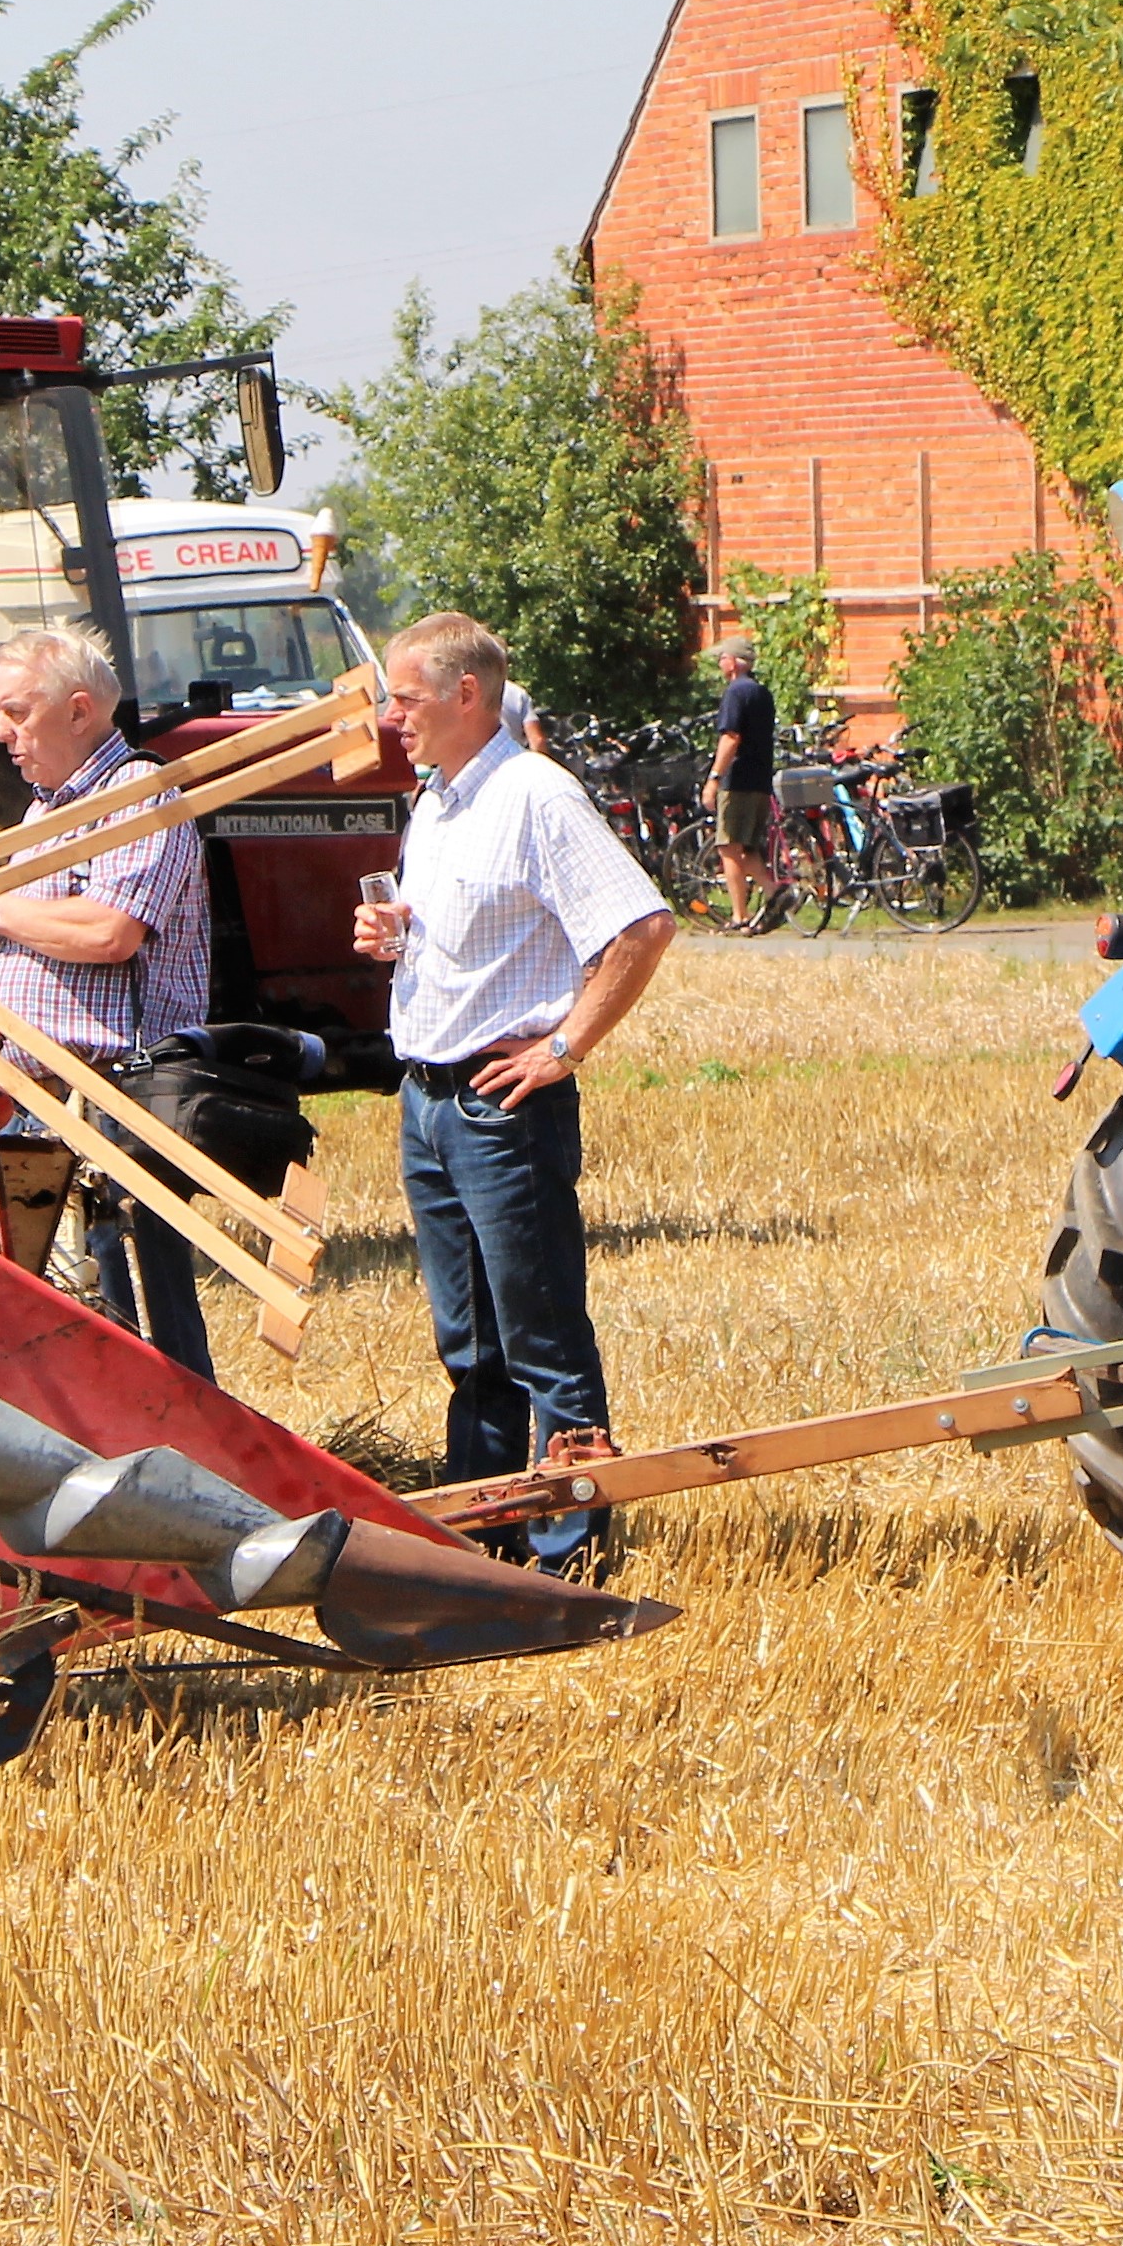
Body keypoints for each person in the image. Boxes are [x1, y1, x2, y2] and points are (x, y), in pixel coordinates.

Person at [353, 613, 674, 1561]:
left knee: (541, 1339)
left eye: (405, 699)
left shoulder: (537, 794)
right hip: (427, 1101)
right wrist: (393, 938)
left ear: (467, 695)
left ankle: (571, 1551)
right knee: (470, 1346)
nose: (390, 717)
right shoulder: (435, 802)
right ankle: (480, 1538)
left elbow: (641, 927)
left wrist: (563, 1048)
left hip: (503, 1108)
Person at [0, 625, 220, 1377]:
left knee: (133, 1334)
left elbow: (110, 932)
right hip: (39, 1097)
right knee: (66, 1331)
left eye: (17, 712)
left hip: (108, 1099)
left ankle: (179, 1438)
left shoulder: (138, 797)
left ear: (78, 711)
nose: (0, 733)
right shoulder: (47, 813)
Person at [700, 635, 775, 926]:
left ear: (732, 662)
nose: (720, 663)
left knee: (728, 847)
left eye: (722, 658)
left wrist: (714, 778)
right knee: (748, 846)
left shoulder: (735, 693)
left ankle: (740, 914)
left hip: (738, 779)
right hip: (761, 779)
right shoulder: (762, 692)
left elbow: (731, 737)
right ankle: (775, 893)